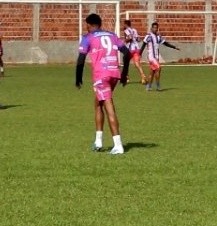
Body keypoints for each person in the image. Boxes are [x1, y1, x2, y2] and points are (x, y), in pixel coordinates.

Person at [76, 13, 130, 155]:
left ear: (88, 24)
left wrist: (78, 78)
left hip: (102, 76)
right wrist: (124, 74)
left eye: (86, 24)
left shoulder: (88, 37)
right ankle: (98, 141)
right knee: (98, 103)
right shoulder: (112, 35)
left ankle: (118, 145)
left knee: (108, 106)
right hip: (114, 74)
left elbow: (81, 59)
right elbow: (127, 52)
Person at [140, 22, 181, 91]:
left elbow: (165, 43)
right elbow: (143, 45)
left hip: (156, 57)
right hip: (151, 57)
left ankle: (148, 86)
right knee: (158, 68)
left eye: (156, 28)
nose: (155, 29)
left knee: (152, 71)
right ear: (151, 28)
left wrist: (174, 47)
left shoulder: (158, 37)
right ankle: (158, 86)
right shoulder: (148, 36)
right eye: (154, 27)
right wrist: (140, 54)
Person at [122, 19, 147, 84]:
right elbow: (138, 39)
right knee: (137, 64)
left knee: (125, 62)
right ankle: (142, 75)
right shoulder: (135, 30)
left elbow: (129, 38)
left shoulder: (126, 30)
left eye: (123, 24)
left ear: (125, 24)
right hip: (137, 48)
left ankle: (126, 78)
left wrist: (125, 41)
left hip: (130, 49)